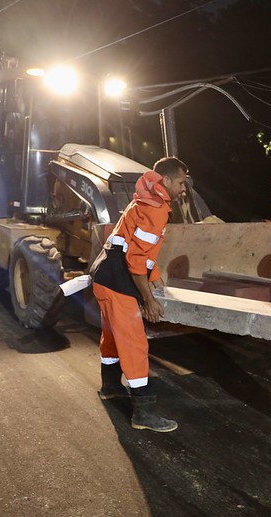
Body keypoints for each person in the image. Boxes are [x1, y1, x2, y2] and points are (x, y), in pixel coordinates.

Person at [89, 156, 189, 433]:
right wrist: (149, 300)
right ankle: (143, 412)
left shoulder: (144, 200)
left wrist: (156, 281)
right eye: (181, 182)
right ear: (165, 180)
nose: (184, 189)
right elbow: (135, 261)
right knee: (134, 345)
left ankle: (110, 387)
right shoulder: (155, 209)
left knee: (111, 336)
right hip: (118, 283)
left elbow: (143, 254)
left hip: (104, 277)